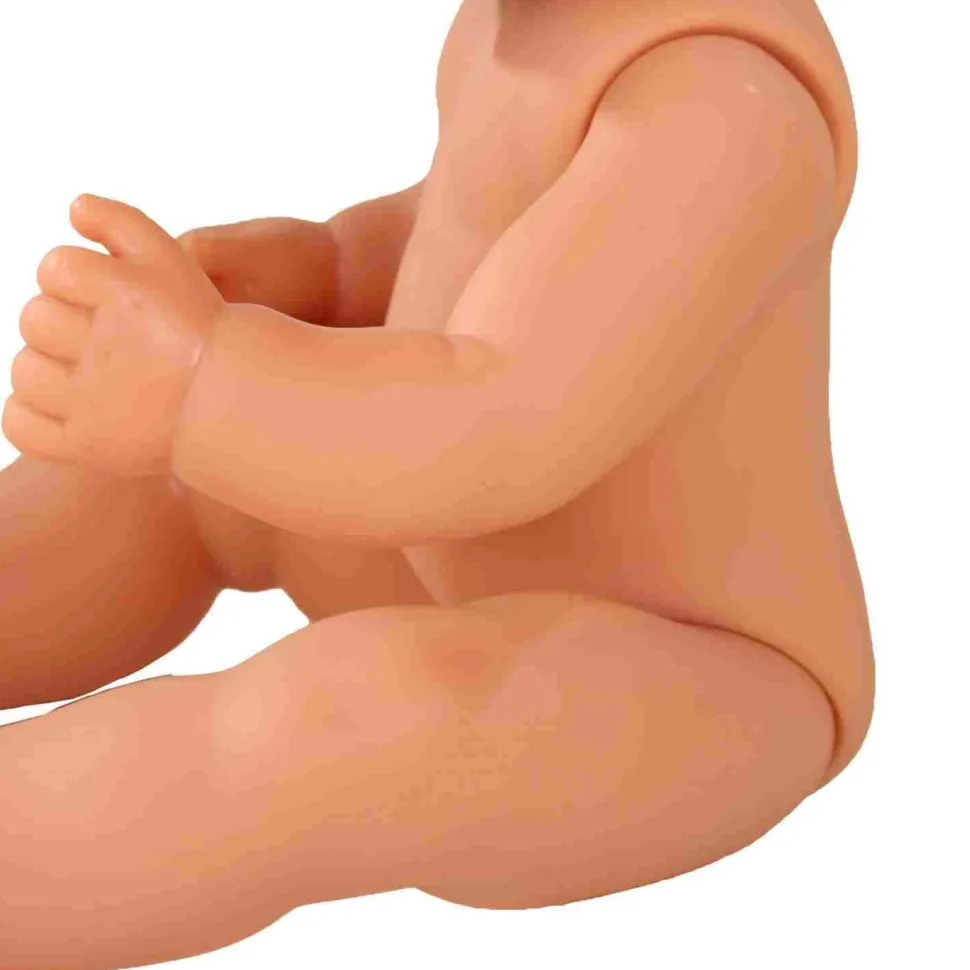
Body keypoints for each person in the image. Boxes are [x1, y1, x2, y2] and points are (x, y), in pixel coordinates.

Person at [0, 0, 874, 966]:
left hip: (686, 670)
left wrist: (208, 384)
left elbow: (507, 424)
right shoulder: (521, 31)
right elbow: (474, 220)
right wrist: (333, 266)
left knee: (351, 716)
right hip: (441, 538)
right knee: (169, 476)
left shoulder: (720, 111)